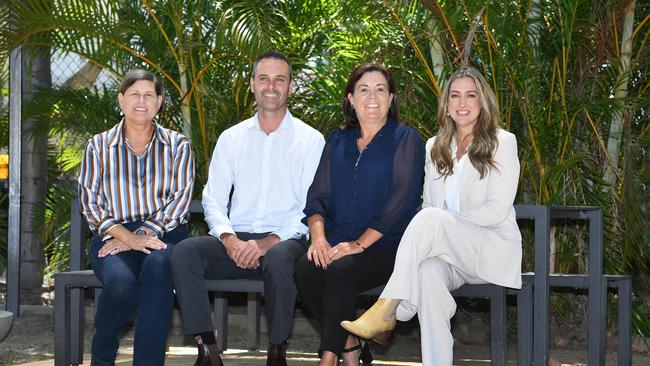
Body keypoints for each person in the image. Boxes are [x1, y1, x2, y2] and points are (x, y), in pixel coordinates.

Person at [341, 66, 522, 365]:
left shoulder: (503, 142)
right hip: (450, 256)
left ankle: (390, 309)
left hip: (489, 250)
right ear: (447, 105)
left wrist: (445, 224)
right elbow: (429, 207)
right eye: (455, 96)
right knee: (427, 273)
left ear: (482, 102)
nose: (462, 104)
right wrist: (440, 225)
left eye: (471, 96)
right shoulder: (435, 147)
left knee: (430, 219)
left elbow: (497, 210)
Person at [171, 50, 325, 366]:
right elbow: (213, 198)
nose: (271, 86)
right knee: (186, 253)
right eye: (264, 78)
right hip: (236, 241)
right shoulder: (231, 138)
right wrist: (228, 239)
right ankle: (207, 352)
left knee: (280, 260)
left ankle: (277, 352)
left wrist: (268, 242)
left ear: (290, 86)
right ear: (253, 85)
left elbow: (310, 206)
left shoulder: (311, 141)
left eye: (280, 79)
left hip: (285, 241)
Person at [294, 64, 425, 366]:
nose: (372, 97)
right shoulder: (338, 140)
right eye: (364, 89)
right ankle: (350, 344)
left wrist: (359, 244)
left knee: (340, 270)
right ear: (351, 98)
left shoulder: (406, 139)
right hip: (338, 241)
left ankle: (328, 359)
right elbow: (317, 197)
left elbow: (402, 202)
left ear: (391, 98)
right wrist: (318, 240)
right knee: (306, 267)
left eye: (381, 89)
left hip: (386, 248)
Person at [78, 69, 195, 366]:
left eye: (148, 95)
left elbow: (180, 199)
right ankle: (103, 352)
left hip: (166, 234)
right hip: (113, 236)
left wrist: (142, 236)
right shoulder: (98, 146)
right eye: (134, 94)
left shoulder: (177, 145)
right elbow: (90, 203)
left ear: (159, 102)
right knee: (120, 284)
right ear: (121, 99)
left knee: (158, 269)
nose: (141, 101)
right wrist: (127, 237)